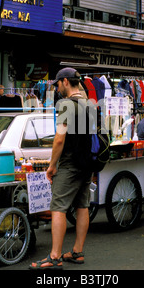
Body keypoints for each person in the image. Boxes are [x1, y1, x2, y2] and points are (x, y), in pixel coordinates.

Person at [30, 67, 92, 269]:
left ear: (65, 82)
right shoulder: (88, 104)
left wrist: (52, 165)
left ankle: (54, 256)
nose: (57, 88)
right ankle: (77, 251)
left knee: (58, 207)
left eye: (57, 83)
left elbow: (59, 139)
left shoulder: (67, 104)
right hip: (86, 163)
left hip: (70, 163)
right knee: (82, 206)